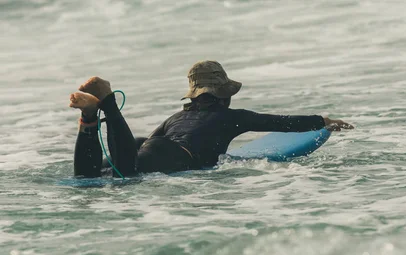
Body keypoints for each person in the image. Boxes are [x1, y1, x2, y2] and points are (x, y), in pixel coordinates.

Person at [69, 60, 354, 178]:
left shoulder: (175, 117)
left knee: (88, 176)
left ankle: (89, 117)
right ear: (224, 94)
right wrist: (324, 120)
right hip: (176, 156)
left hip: (148, 145)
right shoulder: (232, 117)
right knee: (127, 174)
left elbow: (147, 144)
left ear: (193, 96)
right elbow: (281, 122)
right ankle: (107, 103)